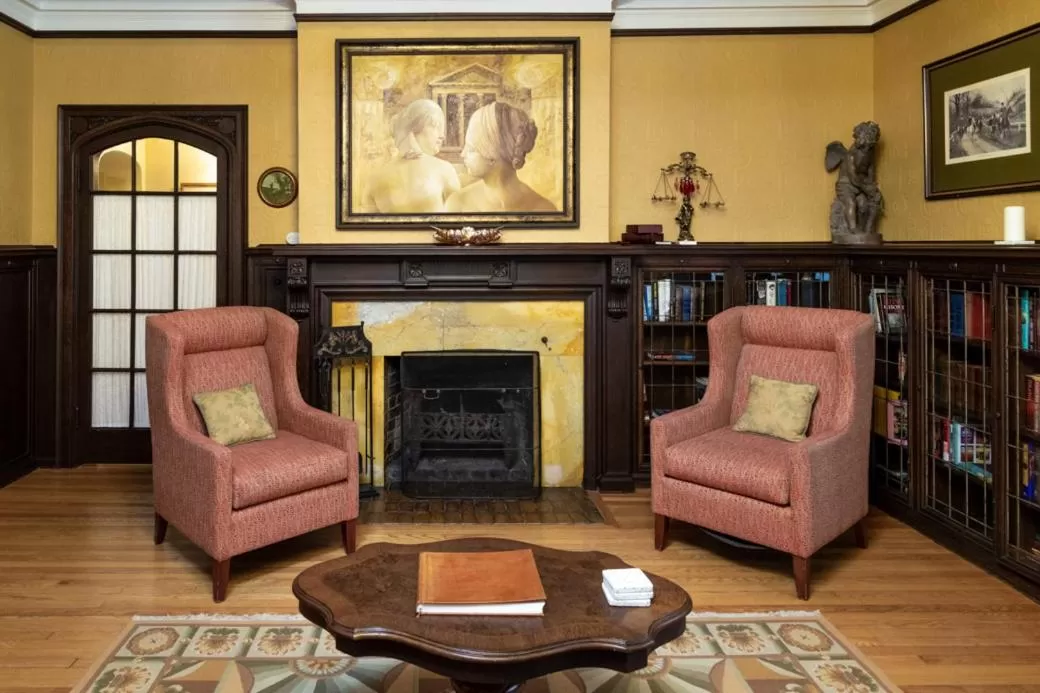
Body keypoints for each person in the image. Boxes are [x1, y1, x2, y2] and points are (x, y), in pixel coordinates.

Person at [445, 102, 556, 213]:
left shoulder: (544, 209)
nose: (463, 154)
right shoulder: (457, 203)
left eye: (471, 149)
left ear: (492, 154)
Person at [360, 99, 460, 214]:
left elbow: (366, 229)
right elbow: (457, 222)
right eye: (435, 126)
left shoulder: (375, 178)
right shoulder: (445, 170)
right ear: (414, 128)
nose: (442, 136)